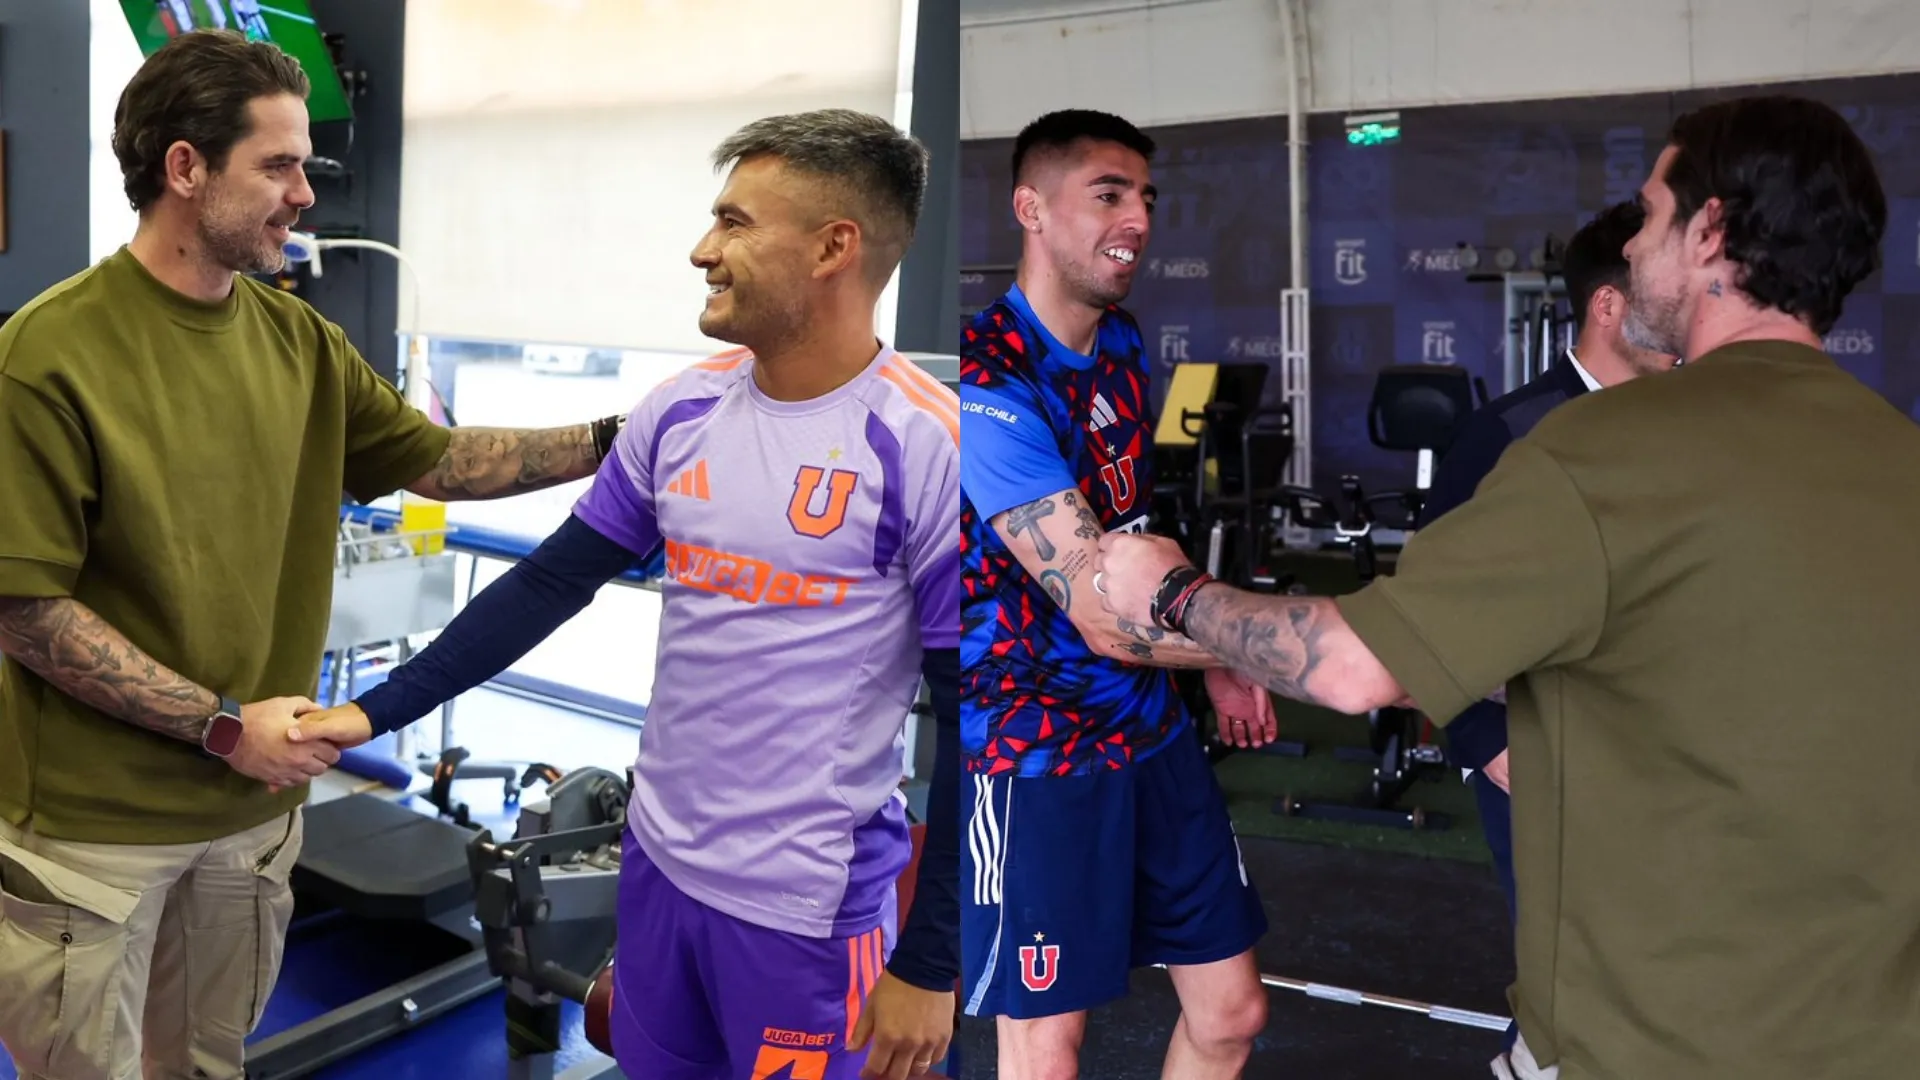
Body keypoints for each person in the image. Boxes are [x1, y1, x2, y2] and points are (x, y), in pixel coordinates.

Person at [1091, 92, 1920, 1080]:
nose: (1637, 244)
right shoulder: (1897, 456)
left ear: (1711, 232)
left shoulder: (1610, 449)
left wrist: (1174, 591)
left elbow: (1356, 670)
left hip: (1646, 1046)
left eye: (1652, 215)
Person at [289, 108, 962, 1080]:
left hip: (805, 917)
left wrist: (930, 961)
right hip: (657, 881)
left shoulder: (927, 444)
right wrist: (368, 710)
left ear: (833, 246)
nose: (702, 250)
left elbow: (986, 724)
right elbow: (552, 583)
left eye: (734, 222)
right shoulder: (680, 410)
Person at [0, 30, 618, 1080]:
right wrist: (224, 726)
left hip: (254, 818)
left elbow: (441, 461)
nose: (306, 196)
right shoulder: (46, 355)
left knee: (207, 1064)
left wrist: (629, 437)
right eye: (277, 166)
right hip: (94, 837)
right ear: (185, 169)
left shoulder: (301, 342)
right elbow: (26, 608)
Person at [957, 109, 1276, 1080]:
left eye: (1145, 197)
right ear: (1031, 208)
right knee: (1047, 1055)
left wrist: (1199, 674)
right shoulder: (981, 377)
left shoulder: (1124, 345)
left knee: (1230, 1013)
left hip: (1146, 726)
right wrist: (1253, 648)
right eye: (1108, 193)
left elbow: (1133, 534)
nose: (1137, 216)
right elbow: (1100, 603)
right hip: (1031, 749)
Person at [1417, 198, 1678, 1057]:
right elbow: (1427, 612)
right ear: (1609, 305)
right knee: (1571, 988)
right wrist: (1486, 738)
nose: (1689, 309)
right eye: (1664, 286)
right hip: (1542, 758)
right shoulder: (1508, 437)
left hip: (1662, 752)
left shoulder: (1693, 427)